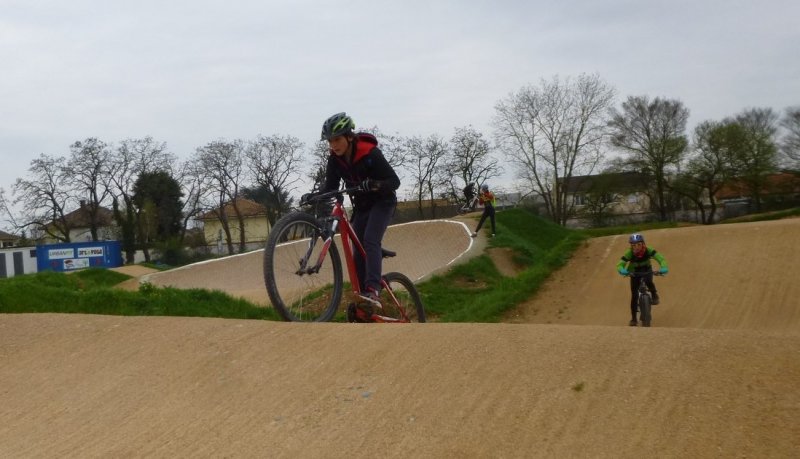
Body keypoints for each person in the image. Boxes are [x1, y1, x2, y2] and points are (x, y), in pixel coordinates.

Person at [317, 112, 400, 308]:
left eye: (337, 139)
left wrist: (374, 184)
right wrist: (313, 196)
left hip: (383, 202)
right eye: (330, 141)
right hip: (362, 207)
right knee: (358, 248)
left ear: (349, 136)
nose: (333, 145)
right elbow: (330, 187)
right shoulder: (334, 160)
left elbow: (394, 182)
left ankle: (373, 290)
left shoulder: (370, 153)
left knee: (370, 239)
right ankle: (363, 295)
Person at [616, 233, 669, 326]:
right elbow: (620, 263)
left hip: (646, 269)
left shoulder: (649, 250)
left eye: (638, 244)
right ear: (631, 246)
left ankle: (654, 295)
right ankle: (633, 319)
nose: (636, 247)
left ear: (643, 244)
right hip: (634, 272)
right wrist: (622, 270)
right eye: (633, 245)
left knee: (649, 281)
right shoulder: (629, 253)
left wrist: (663, 267)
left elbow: (661, 259)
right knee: (634, 295)